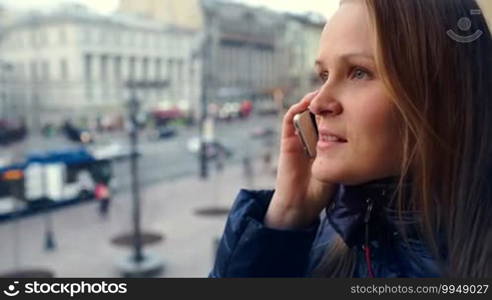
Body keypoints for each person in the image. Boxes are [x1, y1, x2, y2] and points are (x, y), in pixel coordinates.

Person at [210, 0, 492, 278]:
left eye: (359, 72)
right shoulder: (331, 236)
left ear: (444, 96)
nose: (318, 103)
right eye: (323, 75)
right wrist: (286, 215)